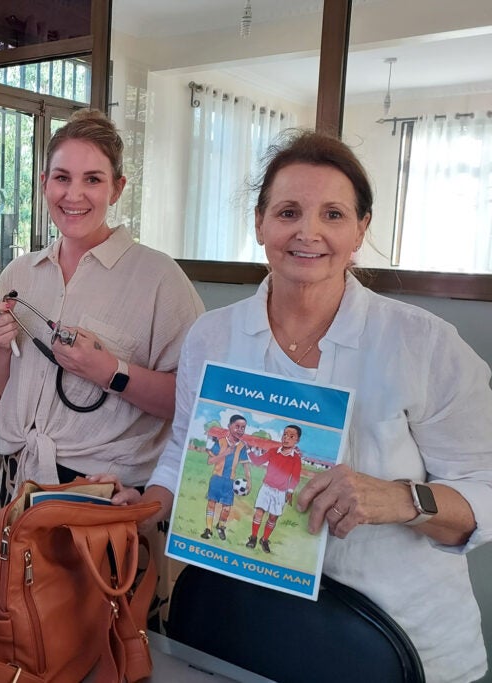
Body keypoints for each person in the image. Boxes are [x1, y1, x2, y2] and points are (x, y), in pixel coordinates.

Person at [95, 130, 492, 682]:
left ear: (361, 230)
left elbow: (485, 492)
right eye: (288, 212)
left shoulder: (423, 345)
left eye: (333, 214)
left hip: (402, 648)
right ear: (260, 223)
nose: (309, 232)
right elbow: (185, 453)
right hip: (245, 629)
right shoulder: (213, 336)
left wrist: (399, 498)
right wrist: (147, 504)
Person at [0, 108, 204, 507]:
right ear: (44, 183)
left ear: (117, 189)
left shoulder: (159, 280)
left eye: (93, 180)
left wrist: (110, 372)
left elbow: (192, 402)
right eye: (62, 178)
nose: (74, 195)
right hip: (16, 482)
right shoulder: (19, 275)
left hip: (100, 496)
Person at [246, 424, 303, 553]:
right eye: (285, 435)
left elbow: (295, 477)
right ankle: (253, 537)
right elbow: (257, 462)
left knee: (273, 517)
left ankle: (264, 540)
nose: (286, 438)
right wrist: (249, 450)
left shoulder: (296, 459)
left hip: (280, 492)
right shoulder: (273, 451)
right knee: (259, 512)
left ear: (297, 440)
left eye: (291, 436)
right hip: (266, 488)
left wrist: (290, 491)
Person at [201, 413, 252, 541]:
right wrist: (224, 454)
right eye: (237, 426)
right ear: (229, 426)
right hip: (217, 479)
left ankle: (221, 526)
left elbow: (246, 465)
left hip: (230, 482)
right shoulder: (221, 442)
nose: (240, 430)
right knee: (211, 504)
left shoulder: (242, 447)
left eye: (243, 428)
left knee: (226, 508)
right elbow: (210, 461)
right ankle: (208, 529)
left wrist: (249, 481)